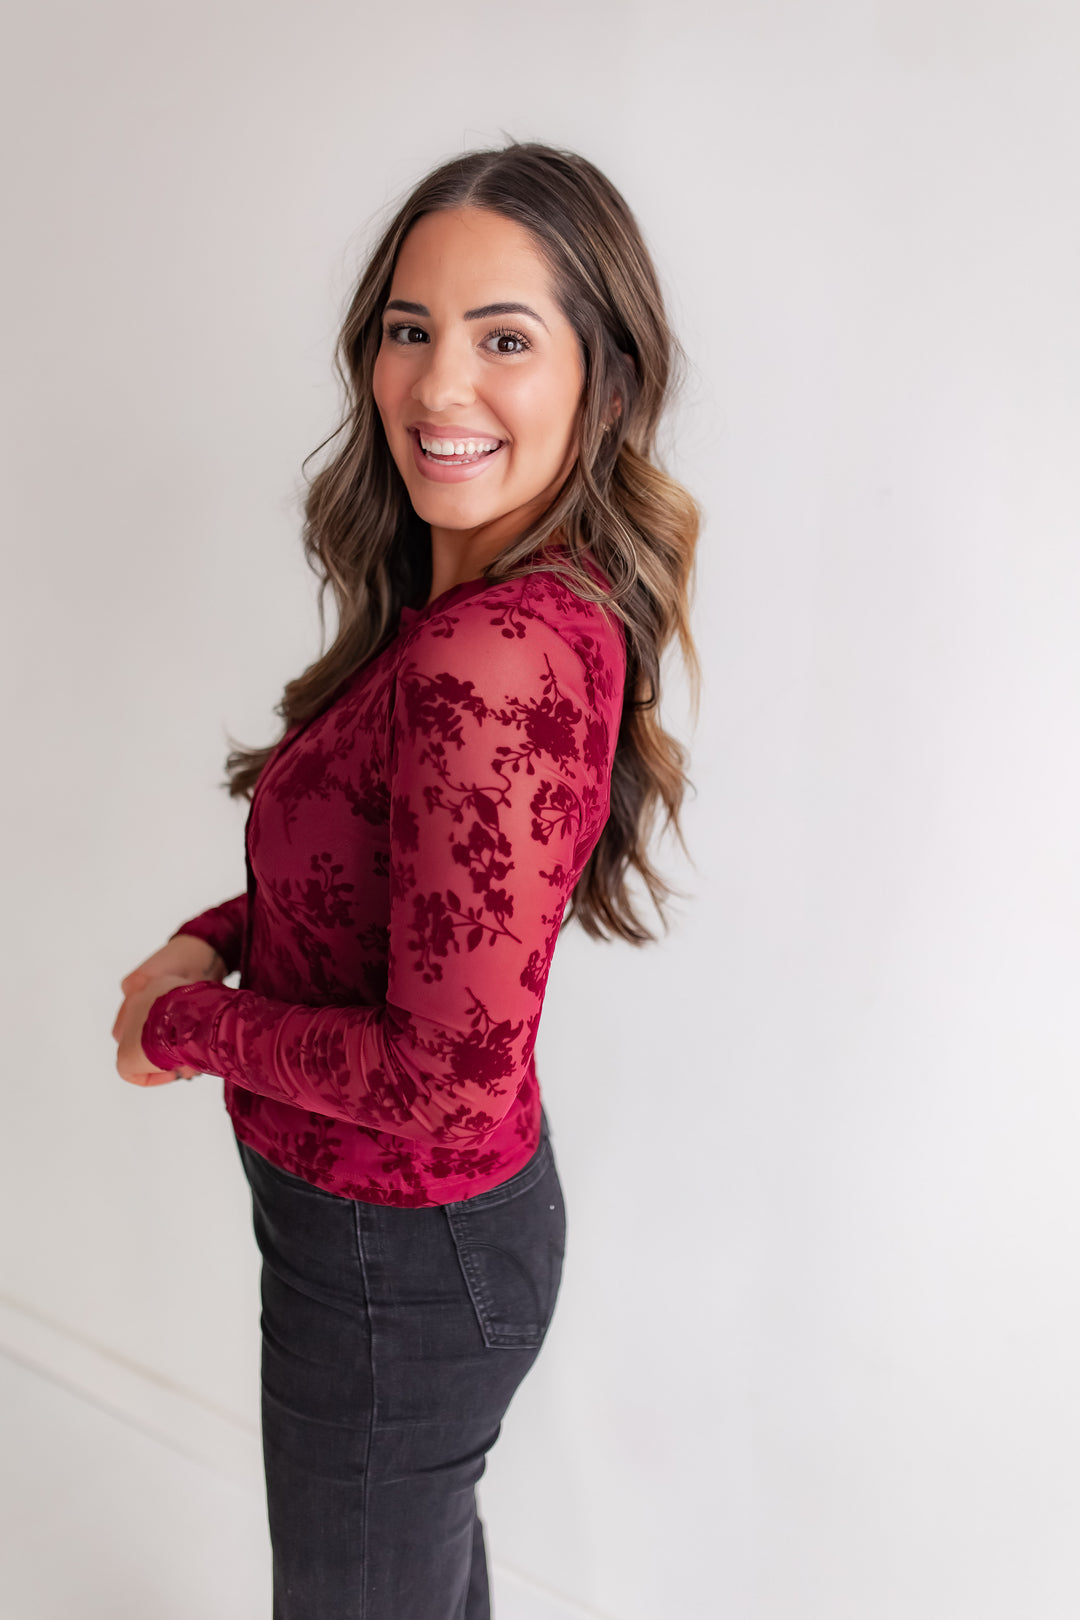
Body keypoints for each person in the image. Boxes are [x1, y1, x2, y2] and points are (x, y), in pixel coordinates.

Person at [111, 140, 700, 1620]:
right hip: (407, 1250)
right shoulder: (491, 609)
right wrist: (212, 939)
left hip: (396, 1258)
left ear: (605, 380)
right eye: (410, 328)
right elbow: (388, 887)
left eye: (505, 340)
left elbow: (445, 1080)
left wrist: (181, 1025)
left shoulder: (490, 653)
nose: (439, 388)